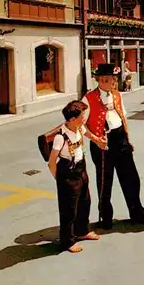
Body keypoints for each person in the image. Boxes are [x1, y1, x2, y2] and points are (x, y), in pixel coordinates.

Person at [82, 63, 144, 229]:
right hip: (102, 144)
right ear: (103, 79)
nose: (114, 82)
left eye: (114, 79)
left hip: (121, 140)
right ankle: (105, 218)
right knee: (105, 182)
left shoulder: (117, 95)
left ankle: (137, 212)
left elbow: (122, 117)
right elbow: (81, 125)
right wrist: (96, 139)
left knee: (131, 178)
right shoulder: (88, 98)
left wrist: (128, 138)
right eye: (112, 79)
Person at [48, 100, 100, 253]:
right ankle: (67, 241)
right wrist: (60, 179)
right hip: (68, 172)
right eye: (81, 116)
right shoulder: (60, 137)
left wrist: (98, 141)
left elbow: (87, 133)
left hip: (80, 168)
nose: (84, 118)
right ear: (72, 119)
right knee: (68, 210)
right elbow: (52, 162)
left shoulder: (79, 128)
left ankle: (82, 230)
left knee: (85, 201)